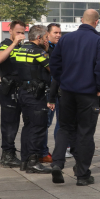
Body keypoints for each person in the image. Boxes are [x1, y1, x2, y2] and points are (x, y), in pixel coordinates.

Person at [49, 9, 100, 186]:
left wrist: (63, 80)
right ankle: (82, 175)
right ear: (96, 22)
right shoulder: (99, 41)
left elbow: (54, 63)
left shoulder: (66, 39)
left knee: (64, 128)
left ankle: (57, 163)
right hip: (88, 94)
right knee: (85, 133)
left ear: (81, 20)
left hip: (67, 92)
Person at [13, 25, 54, 174]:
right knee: (38, 127)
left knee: (28, 127)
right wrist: (48, 51)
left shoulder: (20, 49)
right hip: (36, 95)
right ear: (39, 38)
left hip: (23, 93)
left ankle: (25, 160)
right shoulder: (39, 52)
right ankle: (33, 161)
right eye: (45, 38)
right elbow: (53, 69)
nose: (47, 40)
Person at [0, 20, 25, 168]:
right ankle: (7, 155)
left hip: (23, 89)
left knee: (24, 123)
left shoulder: (23, 47)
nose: (21, 35)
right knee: (9, 123)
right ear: (11, 32)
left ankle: (25, 154)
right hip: (9, 90)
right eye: (18, 32)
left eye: (23, 32)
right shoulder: (5, 44)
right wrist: (13, 44)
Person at [40, 23, 62, 162]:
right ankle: (43, 152)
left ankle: (60, 149)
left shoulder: (58, 47)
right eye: (55, 33)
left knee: (62, 122)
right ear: (47, 34)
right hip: (49, 90)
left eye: (60, 33)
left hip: (60, 89)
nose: (58, 35)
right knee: (46, 122)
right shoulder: (44, 49)